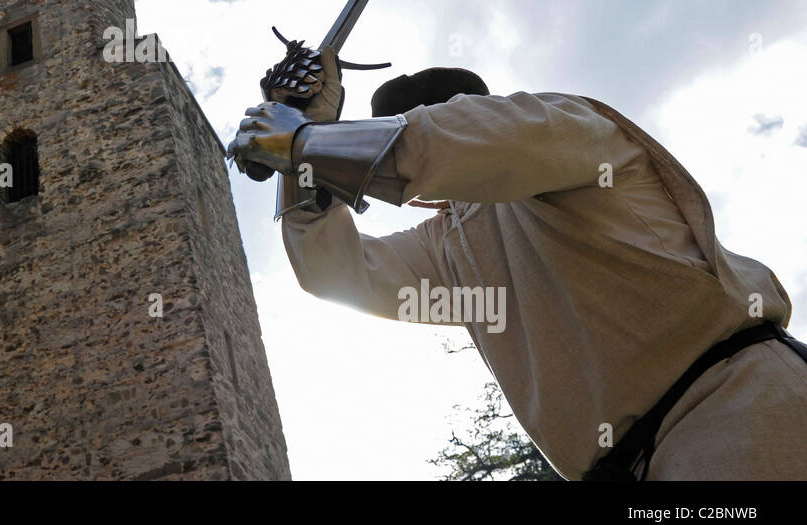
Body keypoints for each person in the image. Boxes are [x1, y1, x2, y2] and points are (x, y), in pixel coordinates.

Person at [228, 50, 807, 480]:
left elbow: (472, 143)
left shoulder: (565, 131)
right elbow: (336, 274)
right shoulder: (450, 247)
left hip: (737, 407)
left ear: (475, 107)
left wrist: (307, 140)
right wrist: (307, 157)